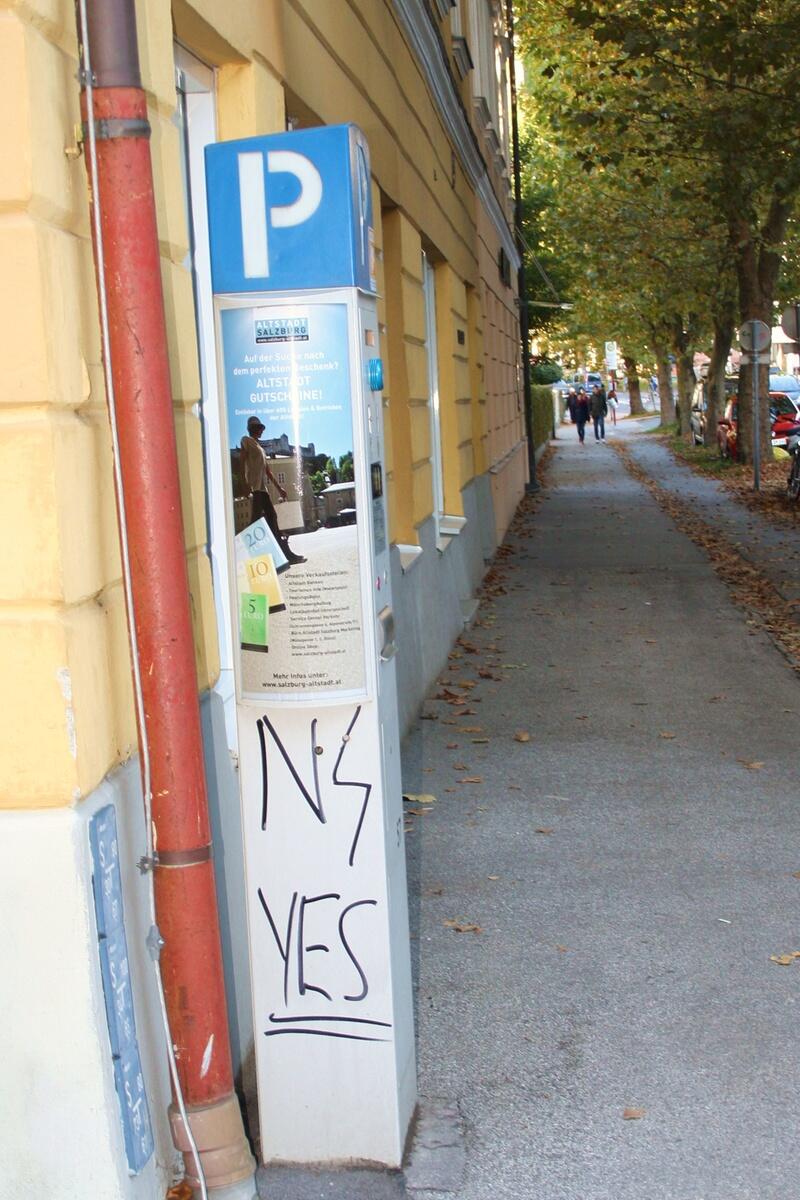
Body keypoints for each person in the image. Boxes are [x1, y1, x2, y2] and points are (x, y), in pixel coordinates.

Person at [240, 416, 306, 565]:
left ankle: (284, 555)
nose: (261, 431)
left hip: (262, 490)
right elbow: (242, 460)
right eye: (258, 428)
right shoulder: (246, 440)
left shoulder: (261, 449)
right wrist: (243, 483)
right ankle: (251, 559)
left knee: (271, 519)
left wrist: (279, 488)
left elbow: (268, 471)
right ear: (252, 429)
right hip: (254, 488)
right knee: (256, 523)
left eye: (262, 428)